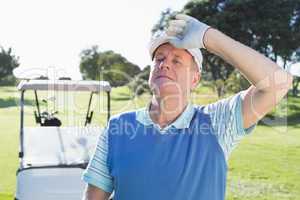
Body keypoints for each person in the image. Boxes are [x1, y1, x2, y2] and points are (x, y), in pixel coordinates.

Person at [81, 14, 293, 200]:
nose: (164, 63)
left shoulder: (217, 122)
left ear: (195, 79)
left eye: (177, 61)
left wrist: (208, 37)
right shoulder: (118, 127)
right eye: (160, 58)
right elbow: (94, 196)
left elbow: (279, 82)